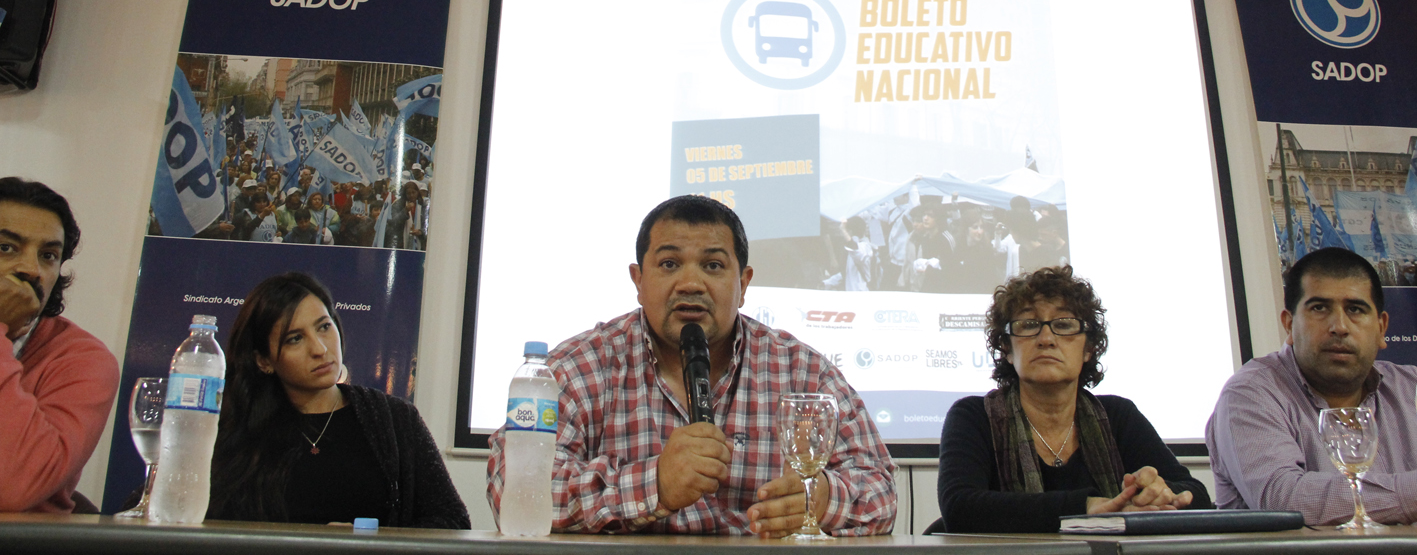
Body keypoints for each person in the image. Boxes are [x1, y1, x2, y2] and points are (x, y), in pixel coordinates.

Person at [485, 195, 896, 536]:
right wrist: (653, 485)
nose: (691, 283)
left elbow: (881, 491)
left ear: (744, 283)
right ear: (638, 279)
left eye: (713, 265)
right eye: (669, 264)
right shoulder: (580, 368)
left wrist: (824, 497)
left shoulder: (801, 371)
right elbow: (512, 490)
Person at [936, 265, 1208, 532]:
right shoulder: (973, 416)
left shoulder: (1118, 415)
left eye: (1064, 325)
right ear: (1007, 348)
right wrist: (1086, 507)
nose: (1046, 339)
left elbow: (1196, 494)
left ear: (1089, 348)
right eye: (1028, 324)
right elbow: (960, 508)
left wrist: (1158, 493)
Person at [208, 271, 469, 527]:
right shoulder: (234, 430)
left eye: (324, 327)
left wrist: (373, 541)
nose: (320, 349)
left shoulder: (395, 419)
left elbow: (452, 521)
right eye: (295, 339)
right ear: (263, 361)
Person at [1206, 247, 1417, 524]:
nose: (1339, 326)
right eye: (1319, 308)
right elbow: (1284, 500)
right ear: (1289, 325)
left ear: (1381, 328)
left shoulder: (1411, 388)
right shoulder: (1250, 394)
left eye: (1355, 309)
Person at [0, 177, 120, 512]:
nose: (30, 269)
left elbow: (13, 486)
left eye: (48, 255)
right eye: (5, 247)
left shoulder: (84, 360)